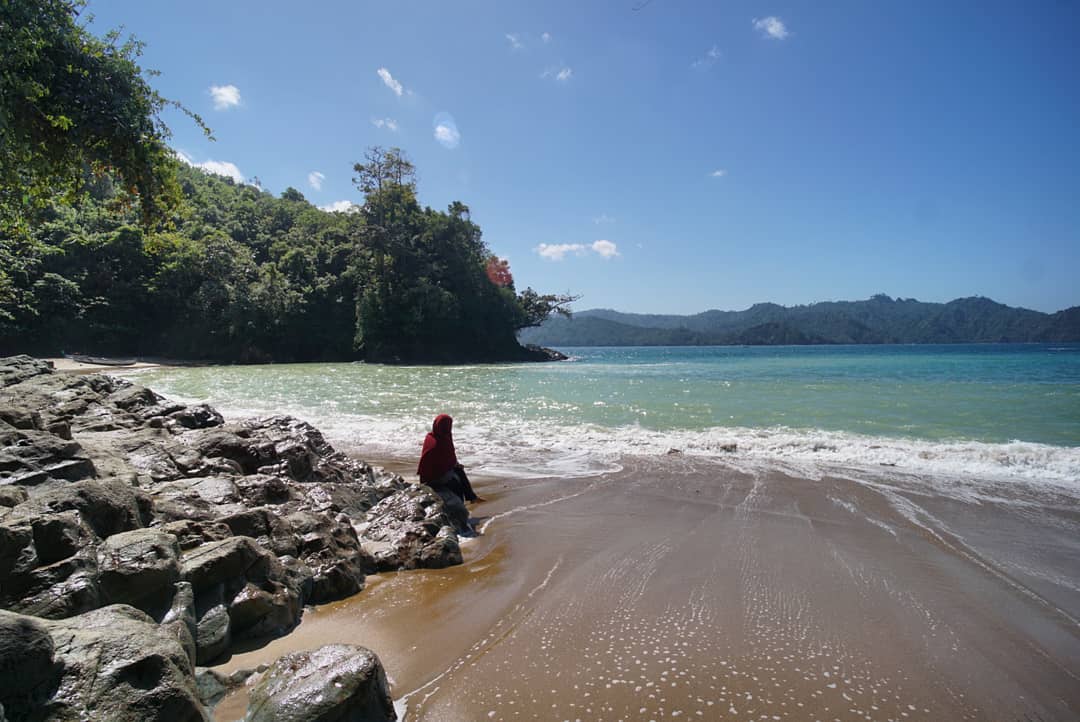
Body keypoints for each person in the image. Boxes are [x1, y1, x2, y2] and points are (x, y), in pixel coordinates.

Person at [417, 414, 483, 504]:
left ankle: (472, 497)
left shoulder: (431, 436)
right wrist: (454, 465)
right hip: (432, 478)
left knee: (458, 470)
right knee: (457, 477)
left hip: (426, 476)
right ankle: (470, 498)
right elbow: (445, 462)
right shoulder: (442, 441)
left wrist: (453, 464)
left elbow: (445, 460)